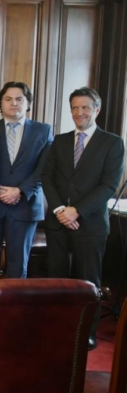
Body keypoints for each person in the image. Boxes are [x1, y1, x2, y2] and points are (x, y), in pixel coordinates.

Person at [42, 86, 125, 351]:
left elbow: (109, 185)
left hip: (90, 224)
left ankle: (87, 332)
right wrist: (59, 210)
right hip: (57, 222)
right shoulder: (61, 140)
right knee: (56, 278)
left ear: (96, 110)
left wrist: (76, 210)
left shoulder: (112, 142)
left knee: (88, 280)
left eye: (85, 107)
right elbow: (48, 178)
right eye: (75, 108)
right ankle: (56, 326)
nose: (79, 112)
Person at [0, 82, 53, 287]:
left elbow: (44, 169)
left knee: (18, 264)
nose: (14, 103)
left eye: (19, 99)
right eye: (8, 99)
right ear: (0, 104)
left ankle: (12, 311)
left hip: (25, 206)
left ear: (28, 103)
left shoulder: (43, 131)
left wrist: (20, 190)